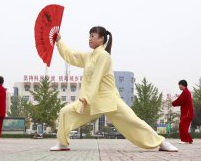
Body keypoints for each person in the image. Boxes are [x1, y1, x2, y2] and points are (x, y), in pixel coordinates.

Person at [49, 26, 178, 152]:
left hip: (108, 99)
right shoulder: (89, 56)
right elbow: (72, 55)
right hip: (92, 100)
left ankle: (161, 142)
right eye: (89, 36)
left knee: (132, 121)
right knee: (65, 112)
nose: (89, 39)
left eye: (92, 36)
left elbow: (96, 78)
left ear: (101, 39)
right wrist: (59, 41)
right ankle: (62, 143)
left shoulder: (104, 56)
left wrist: (85, 98)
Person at [172, 80, 194, 144]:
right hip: (187, 112)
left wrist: (173, 103)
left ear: (182, 85)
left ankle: (185, 140)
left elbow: (180, 100)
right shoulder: (185, 92)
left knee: (182, 125)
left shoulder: (186, 92)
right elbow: (181, 99)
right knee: (183, 126)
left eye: (179, 85)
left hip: (187, 113)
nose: (179, 86)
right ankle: (188, 140)